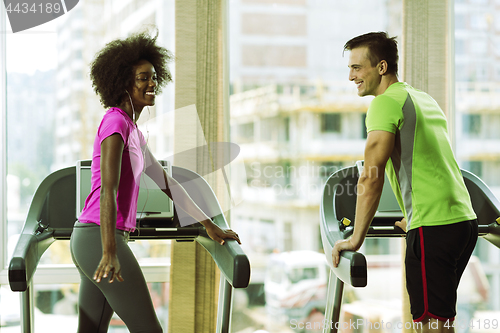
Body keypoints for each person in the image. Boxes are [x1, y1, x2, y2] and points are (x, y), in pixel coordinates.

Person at [70, 31, 241, 333]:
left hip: (96, 239)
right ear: (123, 82)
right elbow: (107, 191)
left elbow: (169, 185)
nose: (153, 85)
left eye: (154, 78)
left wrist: (209, 225)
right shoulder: (114, 122)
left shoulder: (133, 131)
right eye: (143, 78)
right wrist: (109, 251)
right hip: (98, 238)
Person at [331, 32, 478, 333]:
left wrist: (355, 238)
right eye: (349, 68)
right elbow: (430, 164)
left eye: (357, 68)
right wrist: (412, 218)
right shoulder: (422, 99)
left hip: (433, 228)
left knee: (431, 327)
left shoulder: (384, 104)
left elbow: (371, 176)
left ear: (381, 67)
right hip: (463, 223)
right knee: (441, 321)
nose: (351, 76)